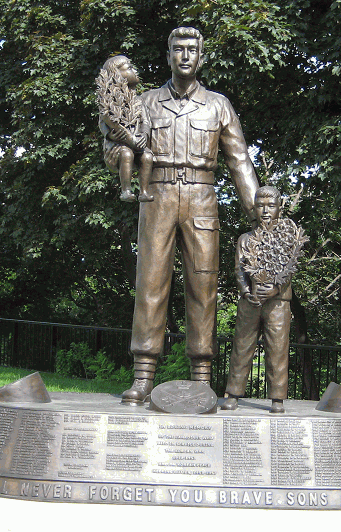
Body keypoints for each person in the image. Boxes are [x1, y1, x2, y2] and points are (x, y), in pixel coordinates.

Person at [118, 27, 259, 404]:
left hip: (201, 197)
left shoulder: (218, 105)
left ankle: (201, 379)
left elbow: (240, 160)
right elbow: (119, 146)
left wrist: (259, 216)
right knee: (150, 283)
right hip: (157, 195)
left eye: (191, 50)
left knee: (203, 286)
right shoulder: (146, 102)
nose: (184, 56)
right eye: (178, 49)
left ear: (201, 57)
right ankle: (143, 376)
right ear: (168, 56)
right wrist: (118, 156)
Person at [221, 186, 301, 414]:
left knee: (277, 349)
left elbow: (290, 269)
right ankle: (233, 394)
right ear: (254, 209)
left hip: (278, 303)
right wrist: (246, 292)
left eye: (271, 206)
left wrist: (276, 289)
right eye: (260, 206)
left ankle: (277, 398)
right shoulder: (245, 239)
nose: (265, 211)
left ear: (279, 208)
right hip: (250, 302)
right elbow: (239, 270)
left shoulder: (287, 239)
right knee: (242, 347)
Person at [97, 55, 154, 202]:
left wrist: (143, 136)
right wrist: (110, 135)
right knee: (126, 154)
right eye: (129, 68)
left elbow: (145, 121)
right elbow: (104, 122)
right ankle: (126, 191)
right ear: (116, 74)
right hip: (118, 145)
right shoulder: (108, 101)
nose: (135, 71)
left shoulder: (138, 100)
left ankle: (144, 191)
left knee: (147, 157)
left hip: (137, 142)